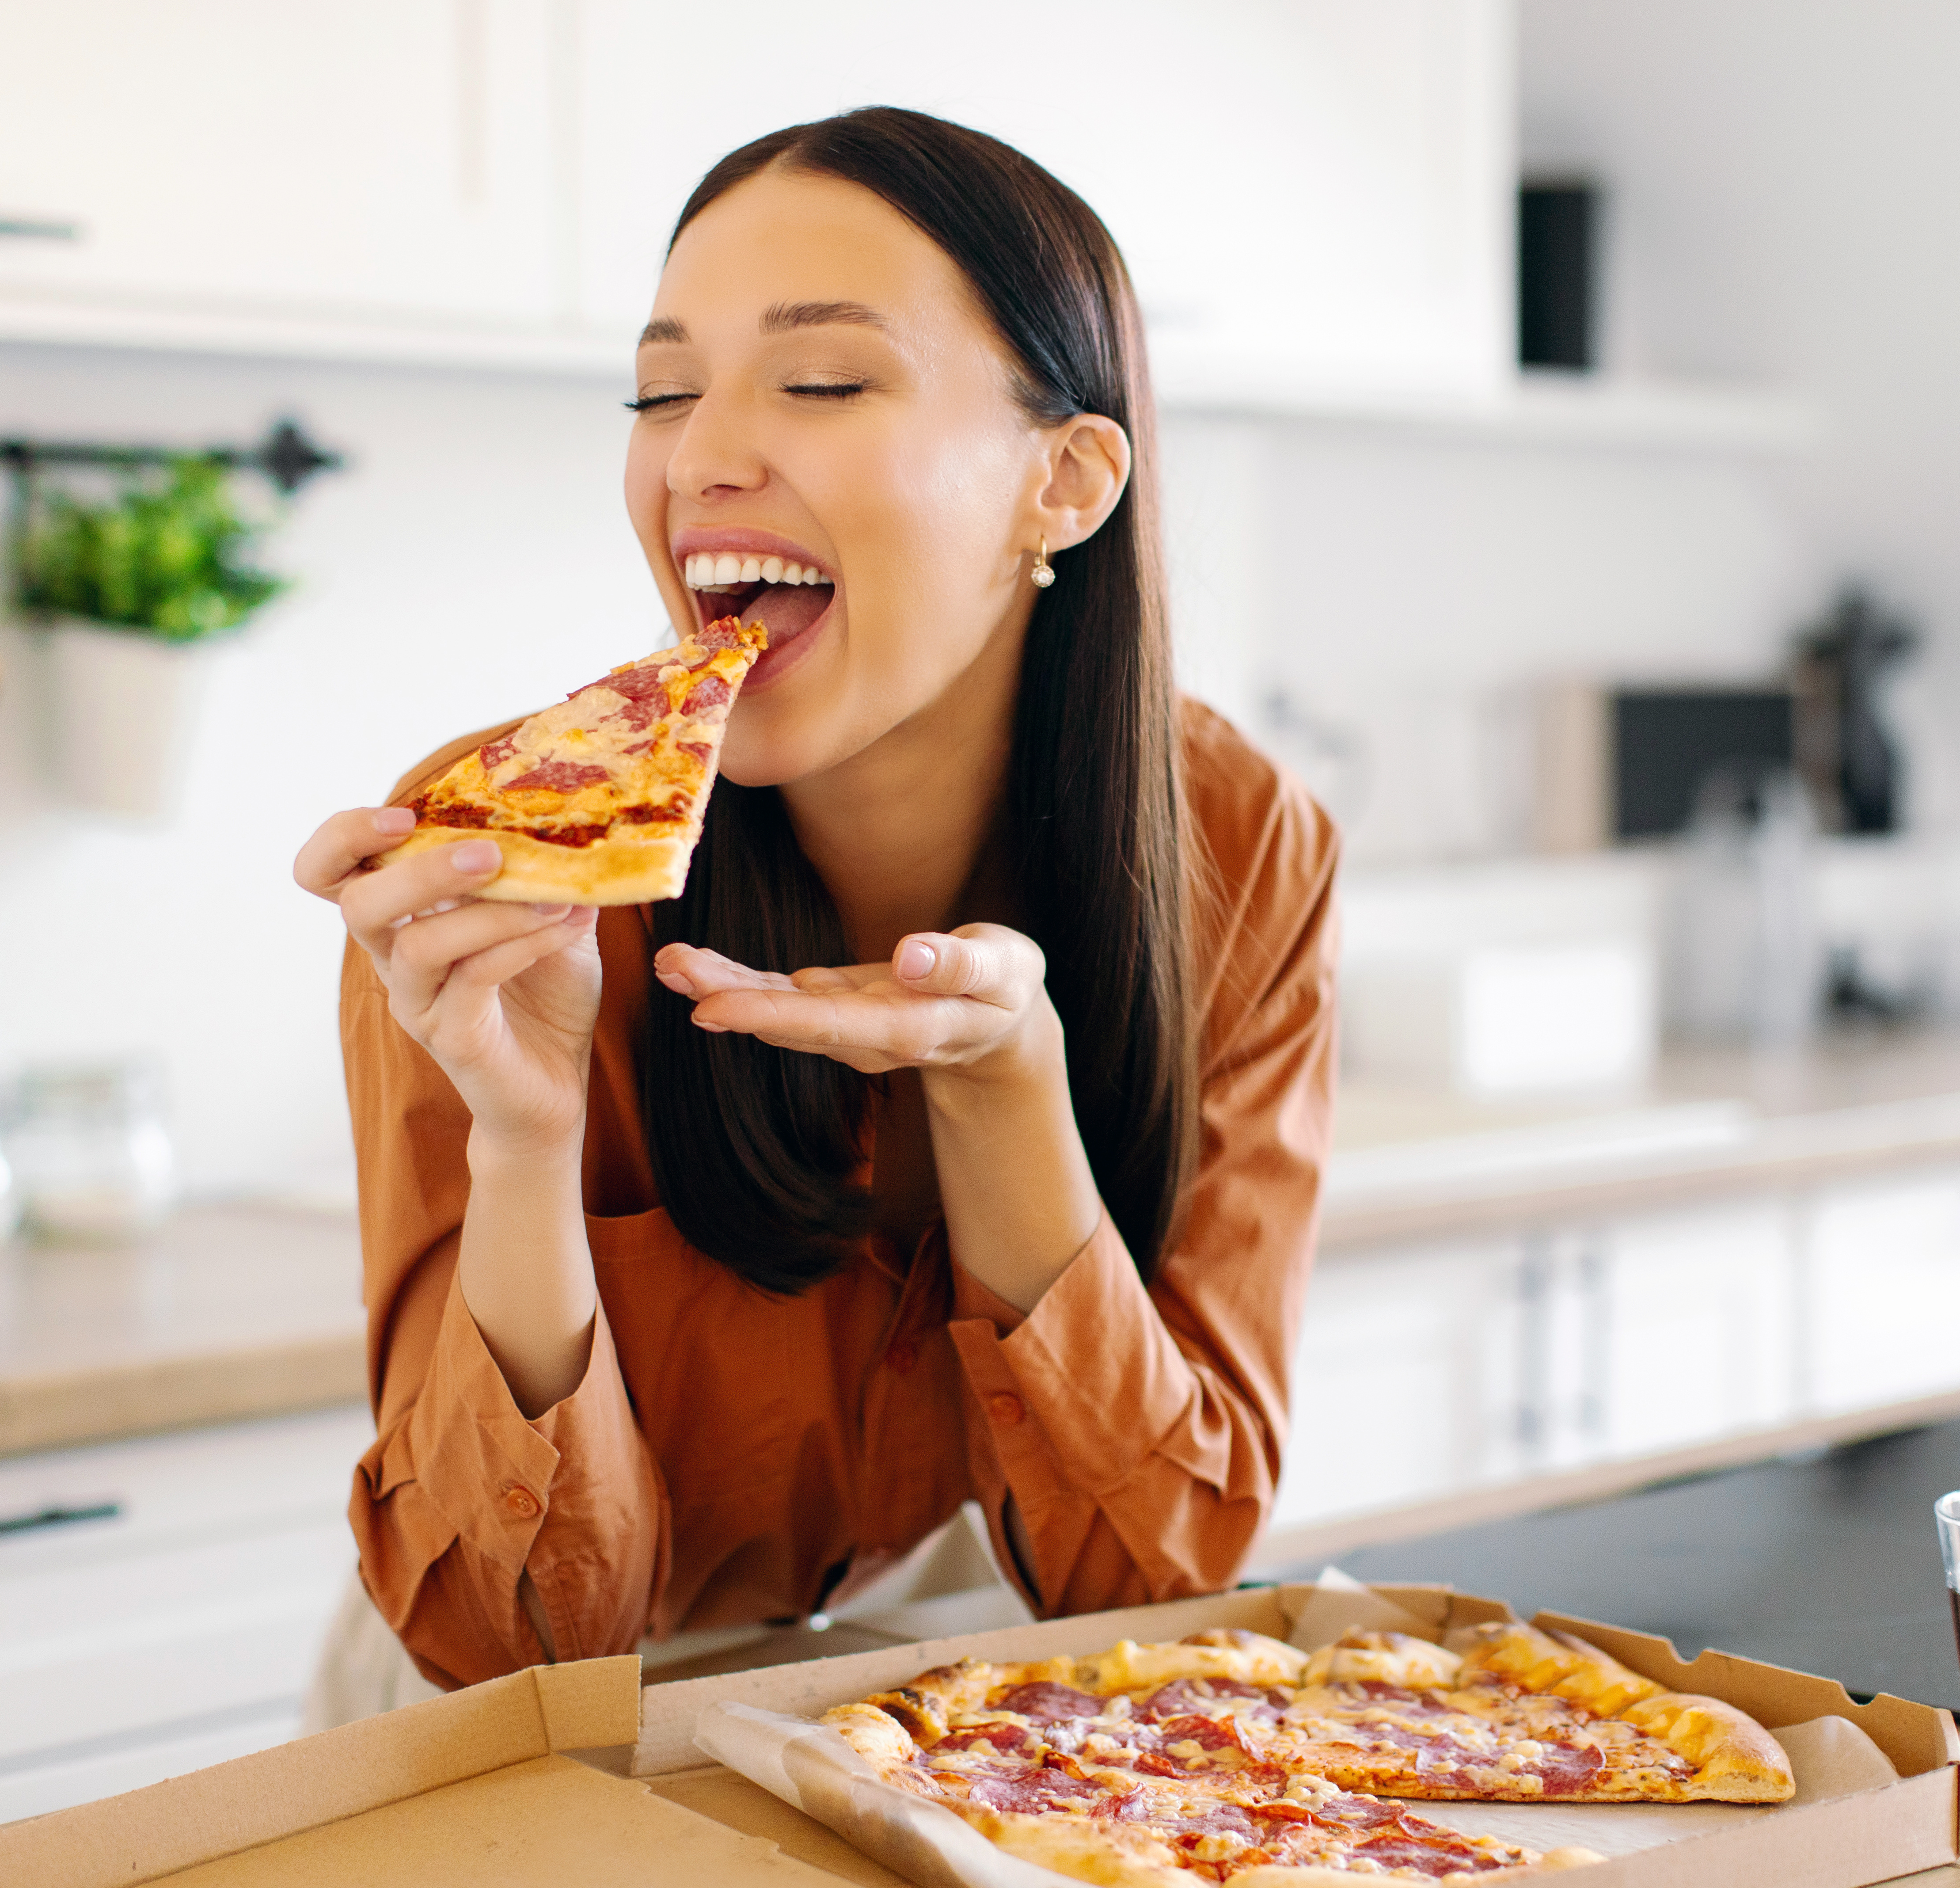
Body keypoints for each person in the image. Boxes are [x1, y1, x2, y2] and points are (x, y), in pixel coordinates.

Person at [291, 107, 1338, 1694]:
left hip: (919, 1693)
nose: (699, 455)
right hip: (510, 1739)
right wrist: (523, 1139)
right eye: (661, 391)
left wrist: (1008, 1097)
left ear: (1062, 482)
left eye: (824, 381)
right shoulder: (499, 868)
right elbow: (508, 1655)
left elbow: (1149, 1577)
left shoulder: (1239, 847)